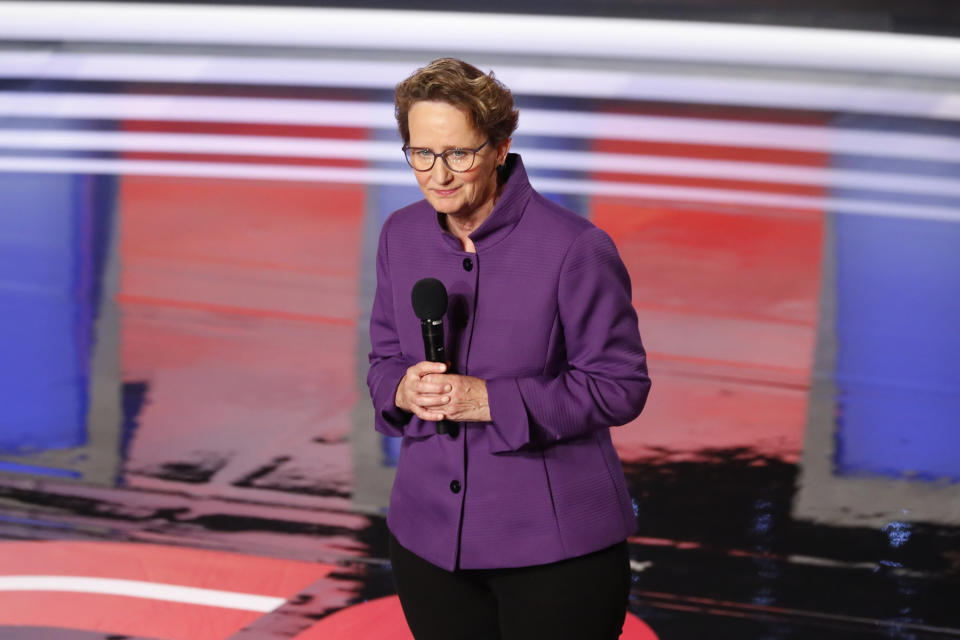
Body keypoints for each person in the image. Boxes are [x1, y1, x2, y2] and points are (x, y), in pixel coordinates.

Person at [366, 58, 651, 640]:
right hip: (427, 541)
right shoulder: (399, 234)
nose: (438, 175)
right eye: (421, 153)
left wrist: (488, 400)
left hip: (556, 550)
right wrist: (401, 387)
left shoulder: (576, 248)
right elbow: (383, 359)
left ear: (499, 148)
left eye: (458, 154)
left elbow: (620, 386)